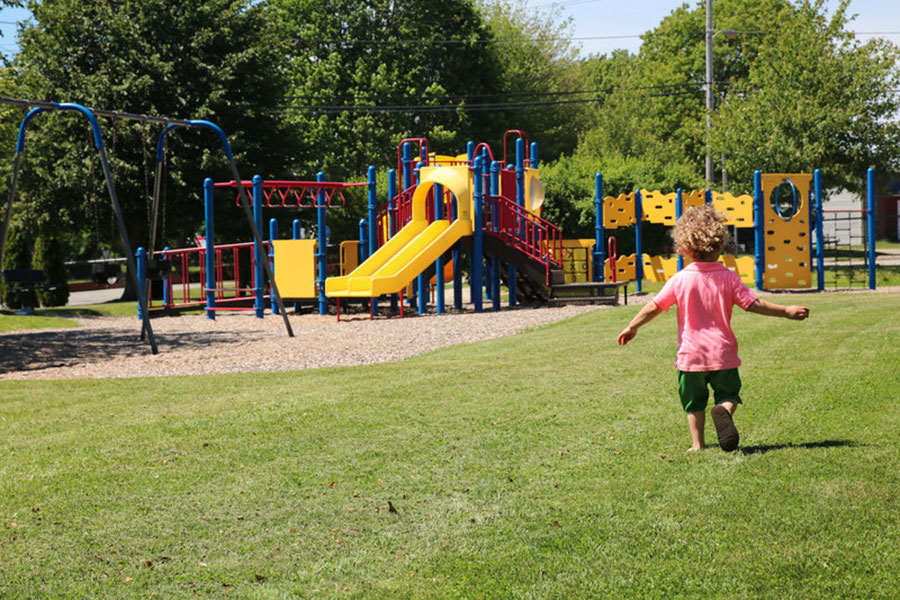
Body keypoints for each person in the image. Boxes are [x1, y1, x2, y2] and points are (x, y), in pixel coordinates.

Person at [617, 204, 809, 452]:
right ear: (720, 244)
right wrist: (785, 311)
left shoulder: (680, 279)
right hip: (722, 353)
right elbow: (753, 304)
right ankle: (725, 411)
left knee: (693, 402)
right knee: (729, 393)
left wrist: (633, 326)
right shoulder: (728, 277)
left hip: (691, 356)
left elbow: (654, 306)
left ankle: (697, 445)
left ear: (685, 248)